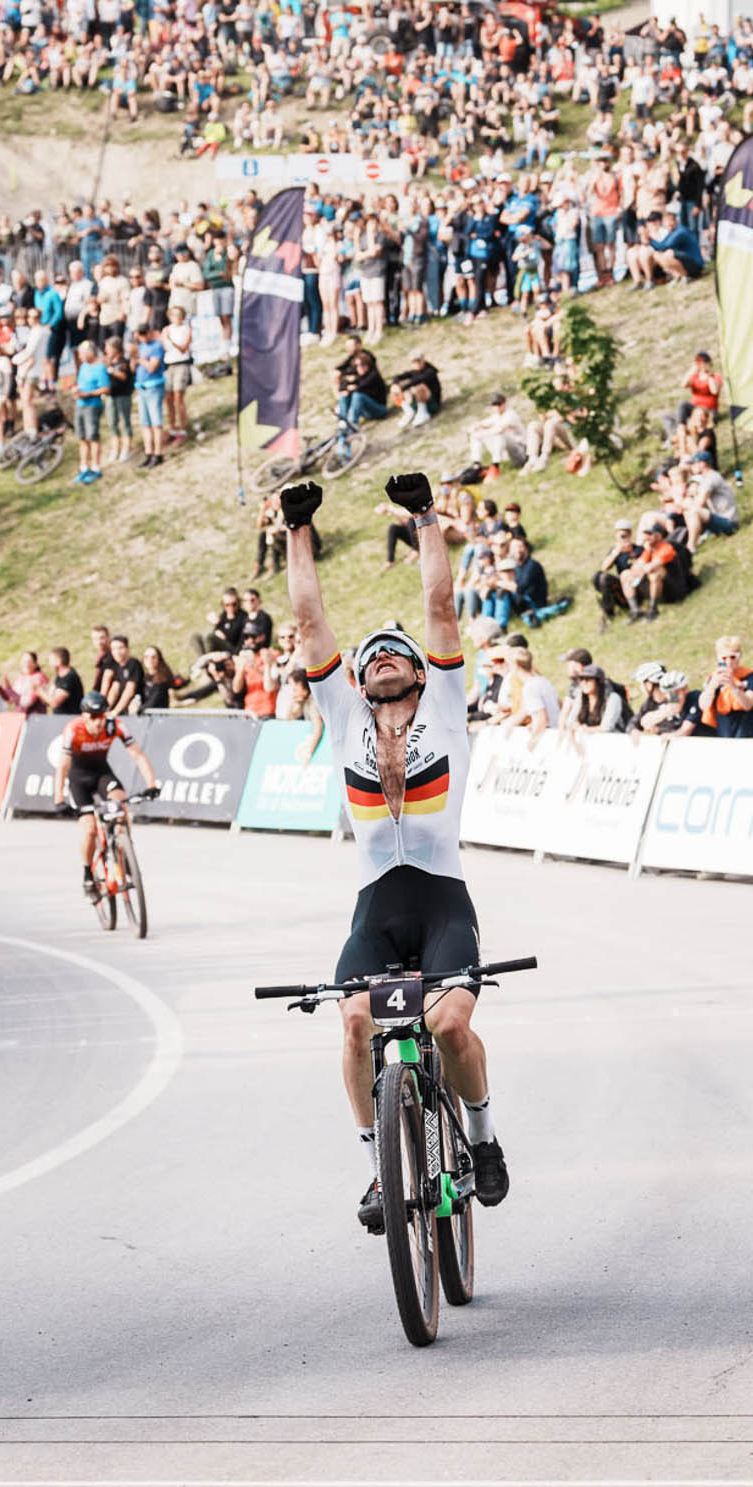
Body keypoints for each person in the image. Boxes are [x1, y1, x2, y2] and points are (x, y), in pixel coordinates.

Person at [282, 473, 509, 1235]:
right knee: (352, 1026)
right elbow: (309, 620)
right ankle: (381, 1164)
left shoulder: (446, 705)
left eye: (394, 653)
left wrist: (424, 518)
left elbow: (440, 606)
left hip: (443, 902)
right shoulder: (343, 713)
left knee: (448, 1029)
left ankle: (481, 1140)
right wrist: (297, 529)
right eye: (370, 655)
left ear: (419, 669)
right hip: (375, 907)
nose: (379, 657)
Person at [53, 692, 161, 899]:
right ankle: (87, 873)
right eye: (92, 718)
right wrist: (58, 798)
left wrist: (152, 784)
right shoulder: (73, 730)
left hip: (102, 773)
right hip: (79, 780)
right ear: (84, 717)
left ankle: (125, 849)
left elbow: (137, 754)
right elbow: (63, 766)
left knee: (120, 803)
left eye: (100, 716)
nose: (97, 723)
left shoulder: (115, 726)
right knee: (90, 830)